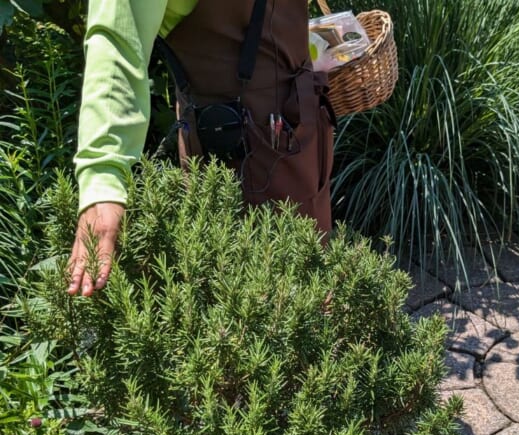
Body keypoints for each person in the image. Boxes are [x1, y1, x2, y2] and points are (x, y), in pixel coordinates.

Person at [67, 0, 335, 297]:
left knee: (312, 293)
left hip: (301, 138)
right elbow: (117, 44)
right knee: (254, 304)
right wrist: (103, 181)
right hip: (236, 160)